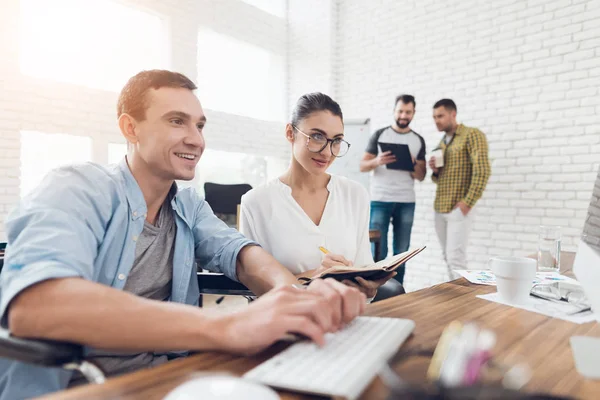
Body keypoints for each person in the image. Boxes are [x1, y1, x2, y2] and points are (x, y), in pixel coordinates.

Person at [0, 71, 366, 399]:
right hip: (82, 387)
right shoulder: (76, 188)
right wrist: (226, 325)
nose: (195, 139)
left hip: (173, 379)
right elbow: (36, 306)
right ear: (131, 128)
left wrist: (296, 297)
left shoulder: (188, 205)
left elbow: (241, 253)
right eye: (177, 121)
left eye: (200, 126)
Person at [239, 93, 401, 302]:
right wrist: (314, 277)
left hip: (350, 319)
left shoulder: (355, 194)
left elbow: (363, 267)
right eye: (317, 136)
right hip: (289, 323)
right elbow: (253, 290)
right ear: (290, 133)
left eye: (336, 141)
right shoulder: (256, 202)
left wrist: (369, 288)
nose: (327, 152)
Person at [359, 94, 426, 285]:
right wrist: (378, 161)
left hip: (406, 202)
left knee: (402, 252)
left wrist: (413, 162)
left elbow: (421, 176)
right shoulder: (380, 135)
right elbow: (362, 166)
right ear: (394, 111)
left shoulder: (418, 140)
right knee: (379, 252)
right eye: (400, 111)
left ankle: (397, 292)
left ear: (413, 113)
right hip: (380, 200)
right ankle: (377, 292)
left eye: (408, 112)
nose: (404, 115)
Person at [429, 99, 491, 280]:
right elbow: (440, 178)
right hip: (440, 208)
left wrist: (466, 204)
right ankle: (454, 296)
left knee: (456, 259)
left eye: (440, 116)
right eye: (434, 117)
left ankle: (462, 303)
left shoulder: (472, 135)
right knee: (448, 257)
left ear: (453, 114)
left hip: (459, 208)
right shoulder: (441, 143)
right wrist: (435, 171)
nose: (436, 121)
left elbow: (482, 170)